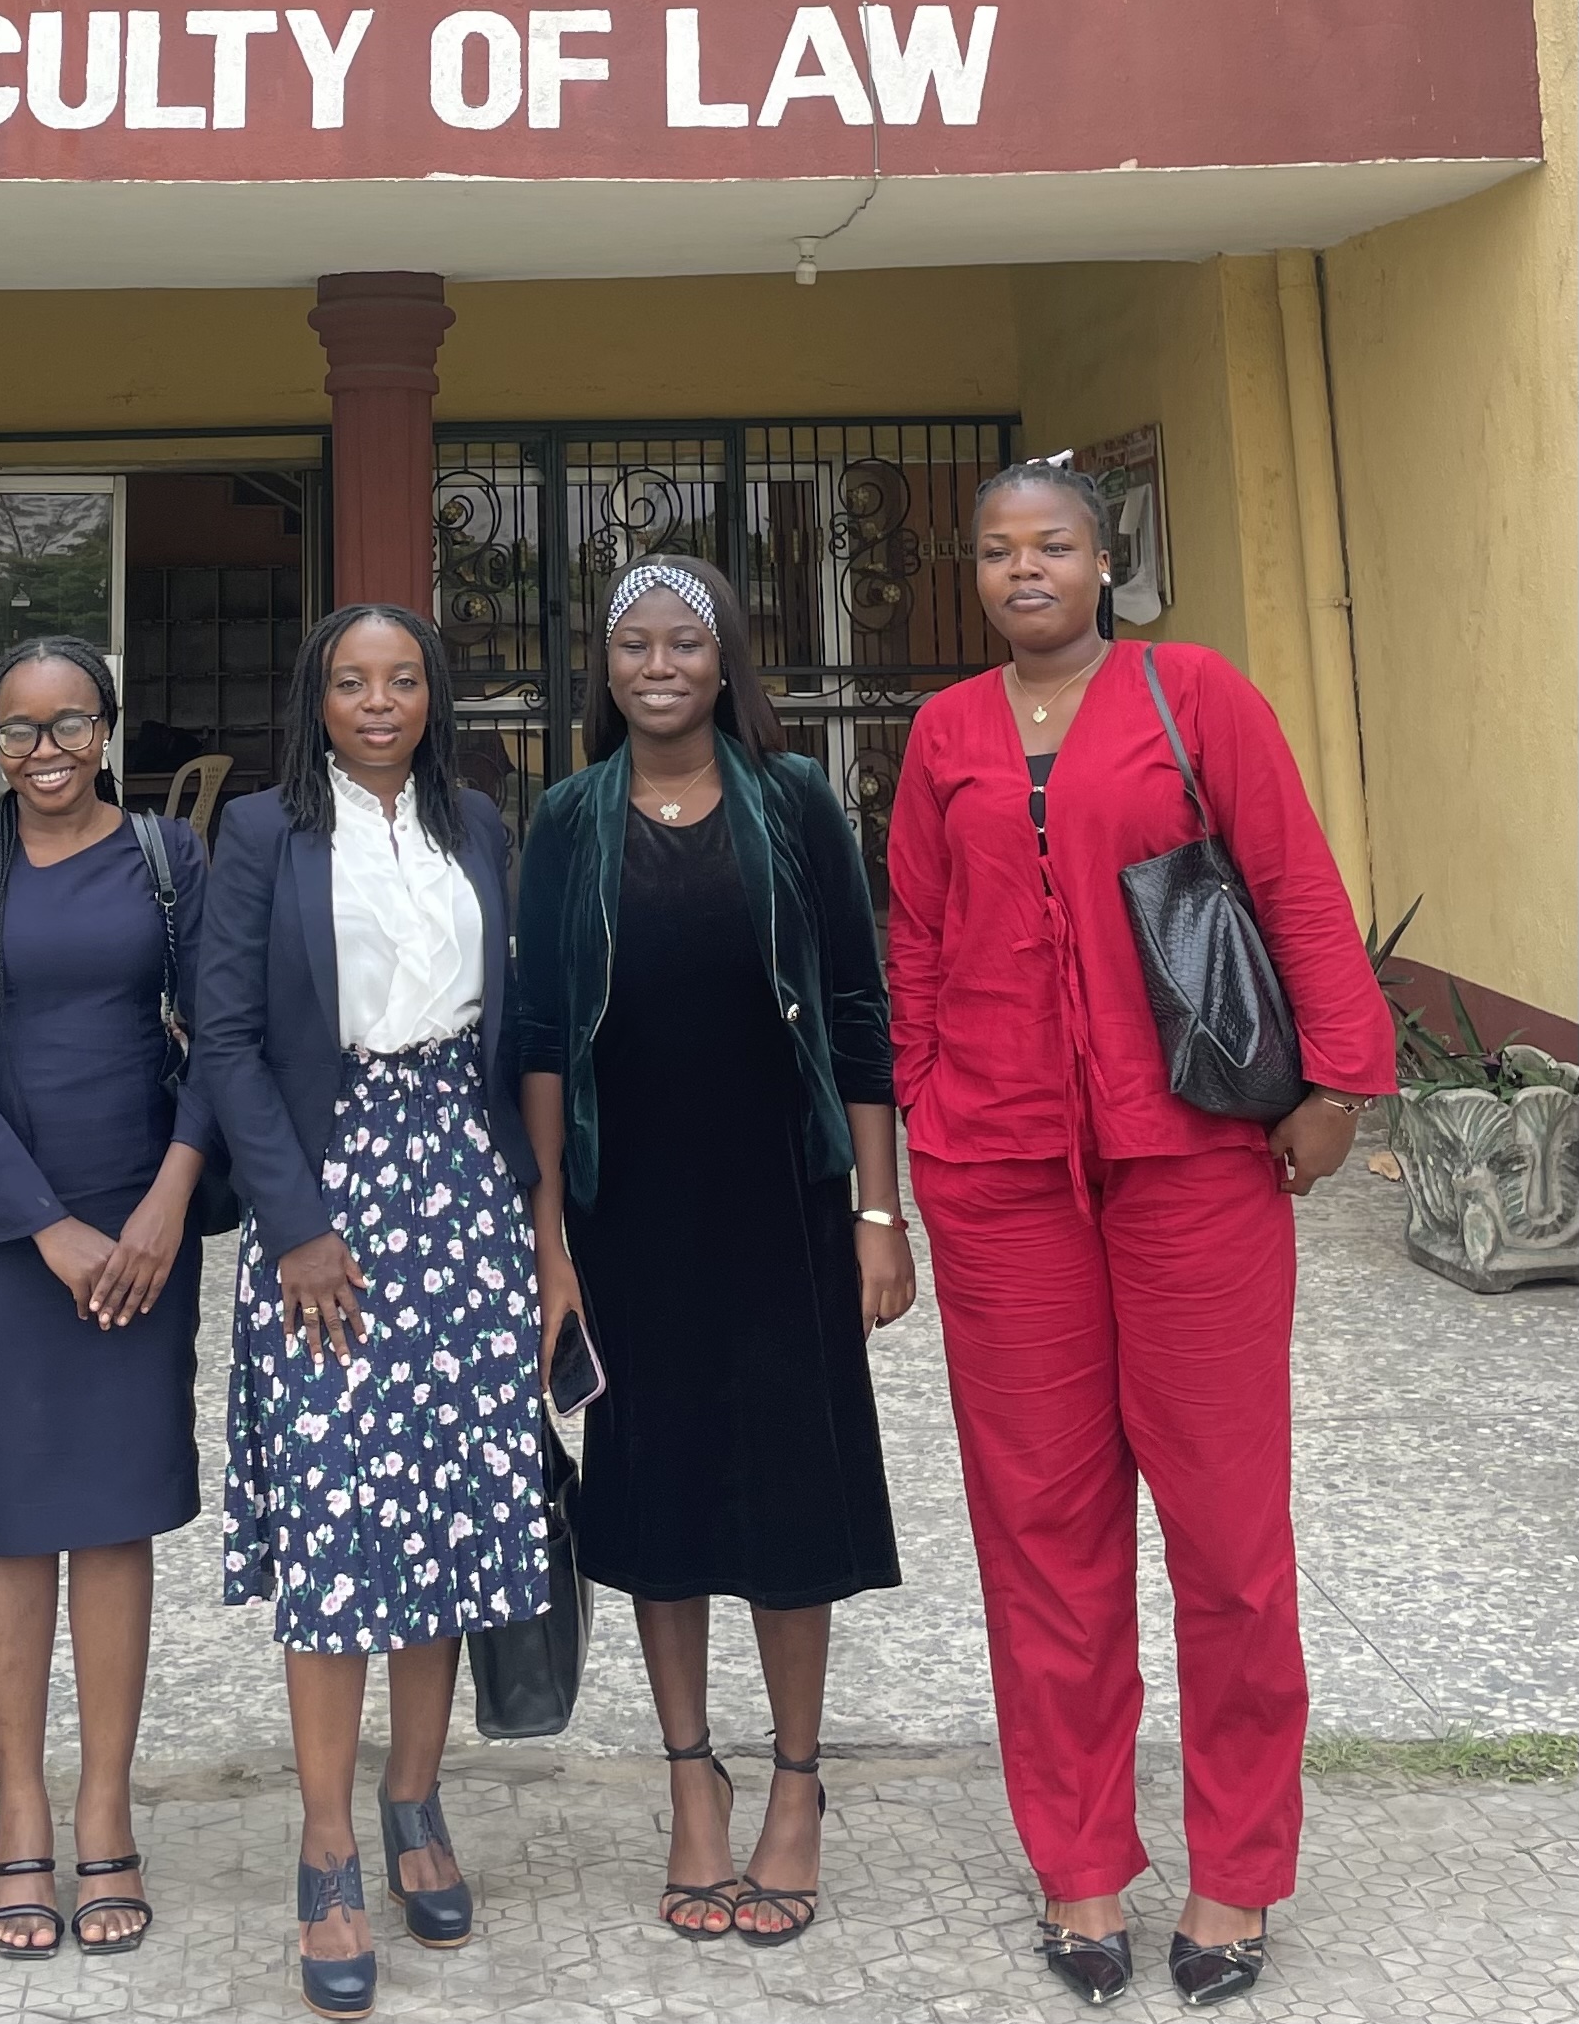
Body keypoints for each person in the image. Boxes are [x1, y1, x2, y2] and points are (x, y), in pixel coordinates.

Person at [886, 458, 1396, 2010]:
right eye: (996, 550)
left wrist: (1337, 1082)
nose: (1022, 569)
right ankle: (1081, 1862)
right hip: (1001, 1175)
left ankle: (1236, 1869)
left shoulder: (1196, 694)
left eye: (1050, 545)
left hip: (1193, 1163)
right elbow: (914, 935)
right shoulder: (944, 732)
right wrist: (926, 1106)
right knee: (1042, 1531)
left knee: (1228, 1534)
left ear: (1104, 563)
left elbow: (1290, 880)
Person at [513, 556, 910, 1950]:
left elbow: (855, 1012)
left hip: (784, 1204)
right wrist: (552, 1245)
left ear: (726, 657)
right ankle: (693, 1778)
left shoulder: (793, 802)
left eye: (685, 642)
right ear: (605, 668)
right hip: (630, 1212)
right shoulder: (567, 817)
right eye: (633, 644)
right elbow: (541, 1037)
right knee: (658, 1501)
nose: (659, 665)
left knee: (791, 1502)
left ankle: (796, 1782)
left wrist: (878, 1215)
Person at [194, 604, 546, 2022]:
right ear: (318, 699)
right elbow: (225, 1040)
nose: (380, 702)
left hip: (462, 1188)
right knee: (342, 1518)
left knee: (444, 1504)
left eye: (403, 680)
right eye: (352, 681)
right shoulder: (263, 834)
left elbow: (513, 1025)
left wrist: (533, 1219)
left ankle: (415, 1797)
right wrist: (295, 1225)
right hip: (325, 1192)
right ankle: (327, 1842)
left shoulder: (478, 822)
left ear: (434, 696)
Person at [0, 635, 212, 1963]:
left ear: (108, 729)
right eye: (17, 729)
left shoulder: (166, 857)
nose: (43, 752)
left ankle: (105, 1808)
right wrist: (45, 1226)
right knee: (17, 1523)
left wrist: (166, 1200)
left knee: (117, 1516)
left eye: (69, 724)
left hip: (142, 1222)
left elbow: (222, 1032)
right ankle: (20, 1806)